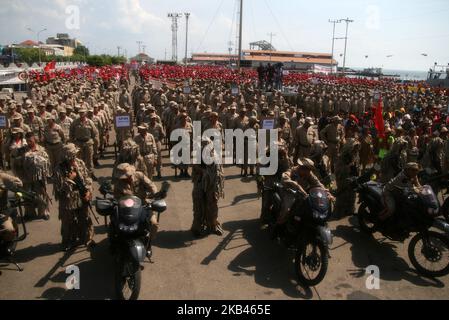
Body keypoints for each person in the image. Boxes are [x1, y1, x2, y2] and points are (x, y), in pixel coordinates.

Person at [53, 143, 94, 251]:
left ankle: (87, 239)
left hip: (82, 195)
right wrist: (69, 180)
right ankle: (68, 241)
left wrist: (89, 191)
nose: (74, 157)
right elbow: (59, 188)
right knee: (68, 221)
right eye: (72, 156)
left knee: (85, 217)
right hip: (68, 198)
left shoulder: (80, 163)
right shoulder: (59, 169)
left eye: (75, 155)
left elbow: (87, 178)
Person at [113, 163, 160, 256]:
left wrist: (156, 194)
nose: (126, 178)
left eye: (127, 176)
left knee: (154, 224)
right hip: (127, 209)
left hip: (143, 204)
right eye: (124, 177)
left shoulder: (139, 175)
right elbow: (117, 198)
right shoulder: (118, 184)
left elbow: (151, 185)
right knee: (116, 223)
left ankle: (148, 244)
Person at [277, 158, 326, 234]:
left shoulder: (309, 174)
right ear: (300, 167)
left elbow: (318, 184)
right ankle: (278, 226)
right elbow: (285, 177)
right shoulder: (292, 171)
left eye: (309, 169)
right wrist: (294, 184)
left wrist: (327, 193)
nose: (308, 171)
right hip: (289, 192)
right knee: (287, 209)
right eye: (306, 169)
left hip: (302, 194)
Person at [191, 138, 225, 237]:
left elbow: (219, 171)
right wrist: (202, 171)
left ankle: (213, 225)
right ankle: (197, 227)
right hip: (200, 183)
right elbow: (194, 166)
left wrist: (217, 185)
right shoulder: (197, 155)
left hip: (213, 184)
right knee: (199, 206)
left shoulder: (215, 155)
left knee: (213, 205)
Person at [22, 132, 51, 220]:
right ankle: (29, 213)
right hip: (27, 177)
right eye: (27, 141)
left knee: (41, 193)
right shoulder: (22, 150)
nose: (29, 143)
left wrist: (45, 173)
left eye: (30, 141)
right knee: (27, 194)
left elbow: (47, 162)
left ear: (34, 140)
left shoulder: (41, 150)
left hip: (39, 177)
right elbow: (17, 163)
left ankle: (43, 212)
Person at [69, 107, 99, 179]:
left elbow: (95, 133)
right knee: (79, 160)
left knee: (89, 160)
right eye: (80, 113)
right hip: (78, 143)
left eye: (83, 113)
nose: (81, 114)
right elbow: (71, 133)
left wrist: (96, 144)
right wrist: (73, 143)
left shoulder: (90, 122)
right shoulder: (75, 122)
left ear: (85, 113)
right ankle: (80, 175)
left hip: (88, 143)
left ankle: (90, 174)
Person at [0, 172, 23, 242]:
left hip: (2, 213)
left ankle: (8, 244)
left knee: (8, 230)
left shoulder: (2, 177)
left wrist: (12, 187)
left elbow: (19, 182)